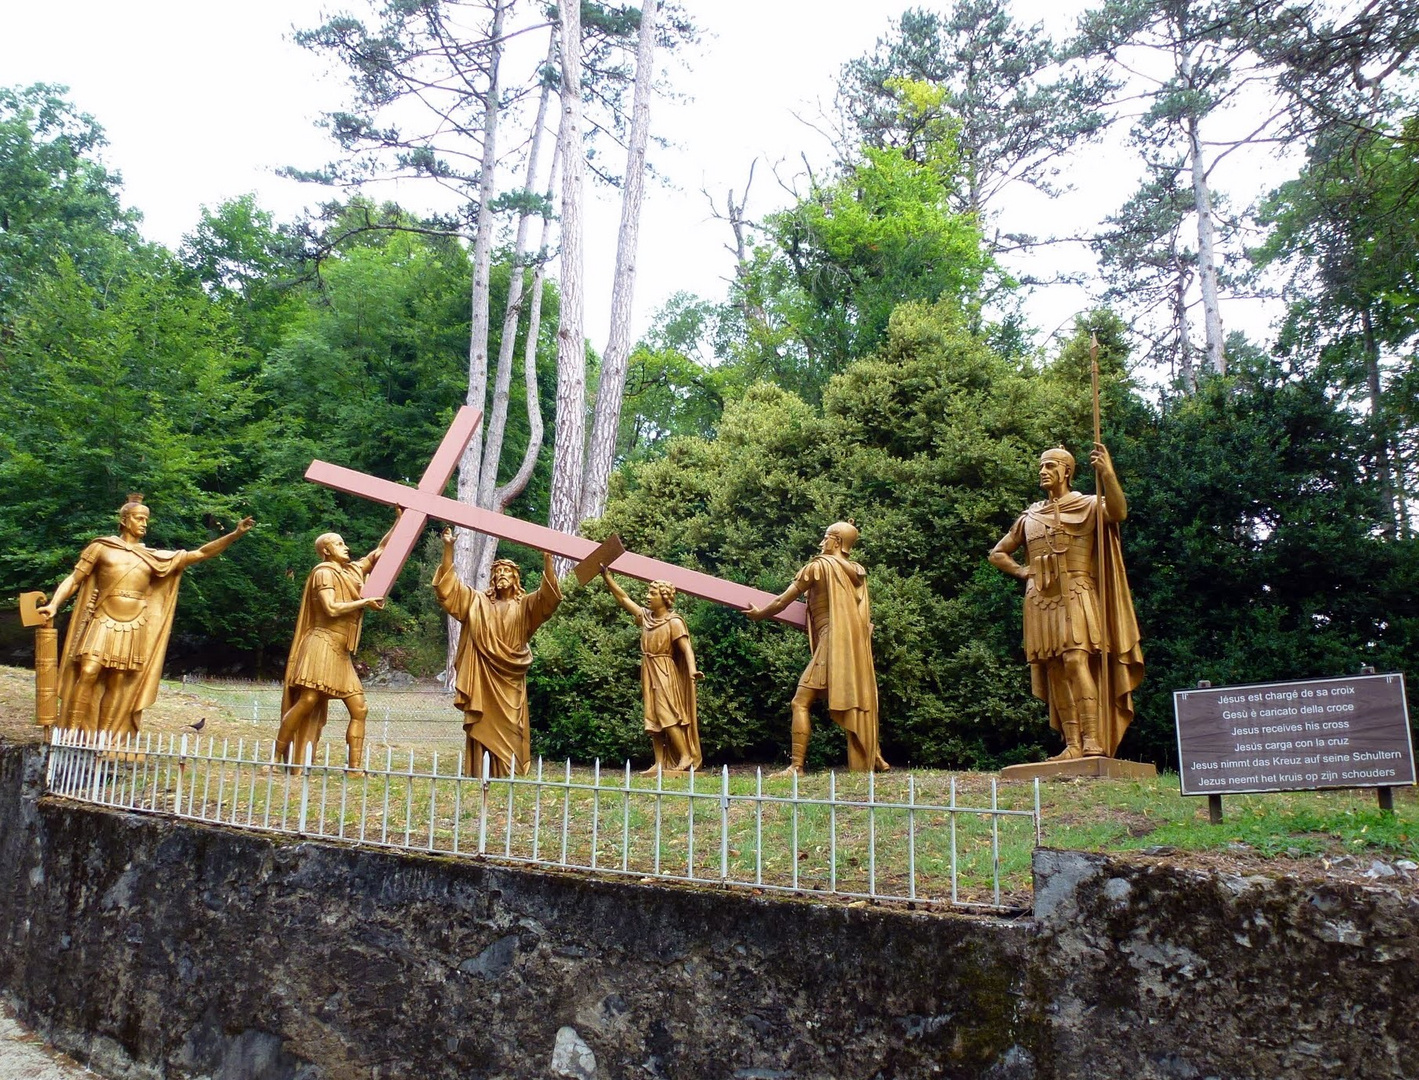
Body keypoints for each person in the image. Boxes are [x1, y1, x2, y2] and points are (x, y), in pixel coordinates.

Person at [37, 494, 254, 739]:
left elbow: (200, 554)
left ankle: (105, 737)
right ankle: (72, 732)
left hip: (134, 624)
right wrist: (54, 604)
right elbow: (75, 579)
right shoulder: (101, 547)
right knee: (88, 671)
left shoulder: (153, 557)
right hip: (103, 619)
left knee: (117, 682)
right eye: (139, 518)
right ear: (124, 520)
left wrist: (235, 534)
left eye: (146, 520)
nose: (144, 524)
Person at [988, 444, 1144, 760]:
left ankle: (1093, 741)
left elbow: (1118, 512)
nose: (1043, 472)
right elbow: (997, 553)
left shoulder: (1087, 505)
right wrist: (1022, 571)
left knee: (1076, 659)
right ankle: (1072, 743)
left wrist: (1108, 473)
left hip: (1077, 590)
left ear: (1066, 471)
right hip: (1040, 598)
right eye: (1041, 467)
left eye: (1049, 466)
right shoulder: (1030, 516)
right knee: (1055, 668)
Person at [743, 521, 886, 775]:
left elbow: (782, 600)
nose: (822, 543)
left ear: (837, 542)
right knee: (855, 697)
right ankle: (873, 754)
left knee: (800, 701)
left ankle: (796, 766)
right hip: (853, 647)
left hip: (831, 642)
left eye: (826, 537)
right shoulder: (858, 572)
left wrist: (759, 614)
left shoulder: (818, 566)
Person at [433, 529, 562, 777]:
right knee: (482, 722)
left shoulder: (525, 605)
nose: (501, 576)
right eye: (497, 572)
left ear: (515, 578)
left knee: (513, 726)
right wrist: (448, 549)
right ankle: (481, 773)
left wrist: (548, 562)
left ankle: (509, 773)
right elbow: (449, 591)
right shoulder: (478, 602)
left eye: (507, 573)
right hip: (482, 675)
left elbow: (549, 600)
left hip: (510, 677)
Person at [275, 516, 399, 771]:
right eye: (339, 544)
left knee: (359, 708)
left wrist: (400, 521)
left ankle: (354, 769)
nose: (346, 547)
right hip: (321, 643)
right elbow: (330, 608)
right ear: (326, 550)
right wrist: (364, 603)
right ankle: (276, 757)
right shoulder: (323, 573)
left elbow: (380, 552)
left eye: (344, 544)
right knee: (308, 700)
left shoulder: (352, 571)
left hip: (342, 651)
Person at [601, 568, 703, 773]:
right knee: (653, 717)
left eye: (652, 594)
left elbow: (686, 649)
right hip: (648, 670)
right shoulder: (646, 617)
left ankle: (685, 756)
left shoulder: (674, 622)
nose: (647, 597)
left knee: (668, 714)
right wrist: (607, 578)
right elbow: (623, 599)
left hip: (665, 670)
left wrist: (692, 670)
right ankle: (659, 762)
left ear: (664, 598)